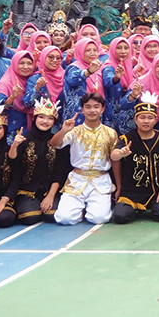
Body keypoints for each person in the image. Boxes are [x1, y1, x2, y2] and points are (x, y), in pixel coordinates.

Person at [51, 93, 117, 225]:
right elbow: (55, 143)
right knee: (64, 219)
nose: (92, 110)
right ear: (82, 109)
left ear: (102, 109)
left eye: (96, 107)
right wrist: (63, 131)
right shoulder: (75, 131)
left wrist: (119, 185)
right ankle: (80, 210)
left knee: (99, 219)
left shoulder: (110, 133)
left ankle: (94, 207)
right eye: (88, 107)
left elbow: (115, 160)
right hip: (77, 180)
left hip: (100, 180)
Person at [110, 92, 159, 224]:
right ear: (136, 119)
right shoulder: (127, 139)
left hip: (155, 191)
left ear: (156, 120)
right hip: (131, 192)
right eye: (142, 117)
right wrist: (121, 154)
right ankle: (132, 208)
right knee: (120, 217)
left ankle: (154, 204)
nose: (146, 121)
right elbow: (114, 157)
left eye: (150, 118)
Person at [4, 97, 66, 225]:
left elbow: (61, 171)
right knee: (29, 218)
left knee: (52, 215)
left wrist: (50, 196)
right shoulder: (24, 139)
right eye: (41, 117)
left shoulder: (56, 141)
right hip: (26, 191)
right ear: (34, 118)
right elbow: (12, 163)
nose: (45, 121)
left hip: (49, 189)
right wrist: (14, 145)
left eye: (50, 118)